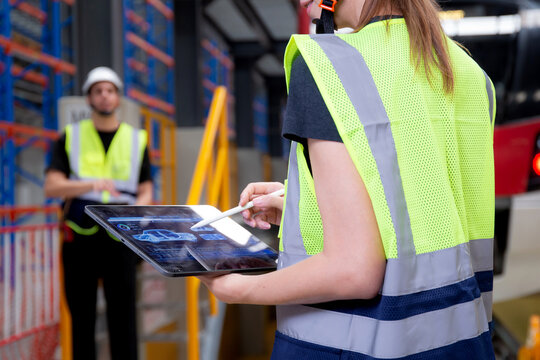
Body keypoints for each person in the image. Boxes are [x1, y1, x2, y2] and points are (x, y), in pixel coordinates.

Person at [200, 0, 496, 359]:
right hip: (462, 341)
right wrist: (302, 205)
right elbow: (416, 193)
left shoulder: (330, 65)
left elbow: (353, 270)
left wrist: (237, 290)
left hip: (349, 347)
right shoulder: (467, 71)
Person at [44, 66, 153, 360]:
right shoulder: (69, 137)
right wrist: (89, 183)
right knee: (81, 319)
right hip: (80, 238)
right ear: (89, 99)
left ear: (117, 98)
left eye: (110, 91)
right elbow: (51, 186)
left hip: (121, 239)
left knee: (124, 319)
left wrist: (140, 212)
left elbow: (146, 187)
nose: (104, 96)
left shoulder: (136, 140)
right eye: (98, 91)